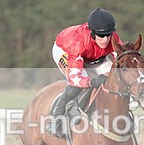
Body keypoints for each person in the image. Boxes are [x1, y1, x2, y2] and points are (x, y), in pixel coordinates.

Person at [46, 8, 122, 138]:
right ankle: (55, 119)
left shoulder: (112, 36)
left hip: (95, 57)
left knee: (115, 80)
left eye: (108, 35)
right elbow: (75, 78)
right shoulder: (78, 43)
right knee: (79, 85)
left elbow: (120, 60)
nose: (105, 40)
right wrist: (92, 81)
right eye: (101, 36)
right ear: (92, 33)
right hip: (65, 51)